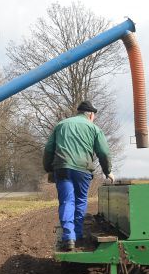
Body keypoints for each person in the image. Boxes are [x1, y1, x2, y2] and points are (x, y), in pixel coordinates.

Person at [43, 100, 114, 251]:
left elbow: (48, 150)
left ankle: (68, 237)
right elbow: (104, 152)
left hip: (62, 168)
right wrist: (107, 171)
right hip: (83, 170)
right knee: (80, 200)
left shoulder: (61, 125)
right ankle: (78, 234)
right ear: (90, 115)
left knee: (67, 201)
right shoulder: (94, 128)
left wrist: (48, 168)